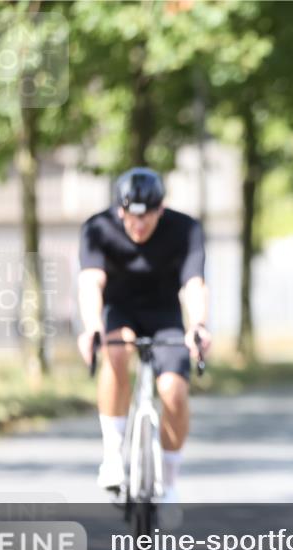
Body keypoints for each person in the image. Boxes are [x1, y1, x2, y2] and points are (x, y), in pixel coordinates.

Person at [76, 167, 211, 503]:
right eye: (130, 217)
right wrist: (92, 325)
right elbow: (90, 280)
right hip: (119, 311)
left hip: (165, 316)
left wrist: (198, 325)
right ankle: (112, 456)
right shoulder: (98, 228)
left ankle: (169, 482)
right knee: (116, 351)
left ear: (160, 209)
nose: (138, 226)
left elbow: (194, 283)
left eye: (146, 218)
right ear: (120, 210)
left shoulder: (185, 229)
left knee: (173, 391)